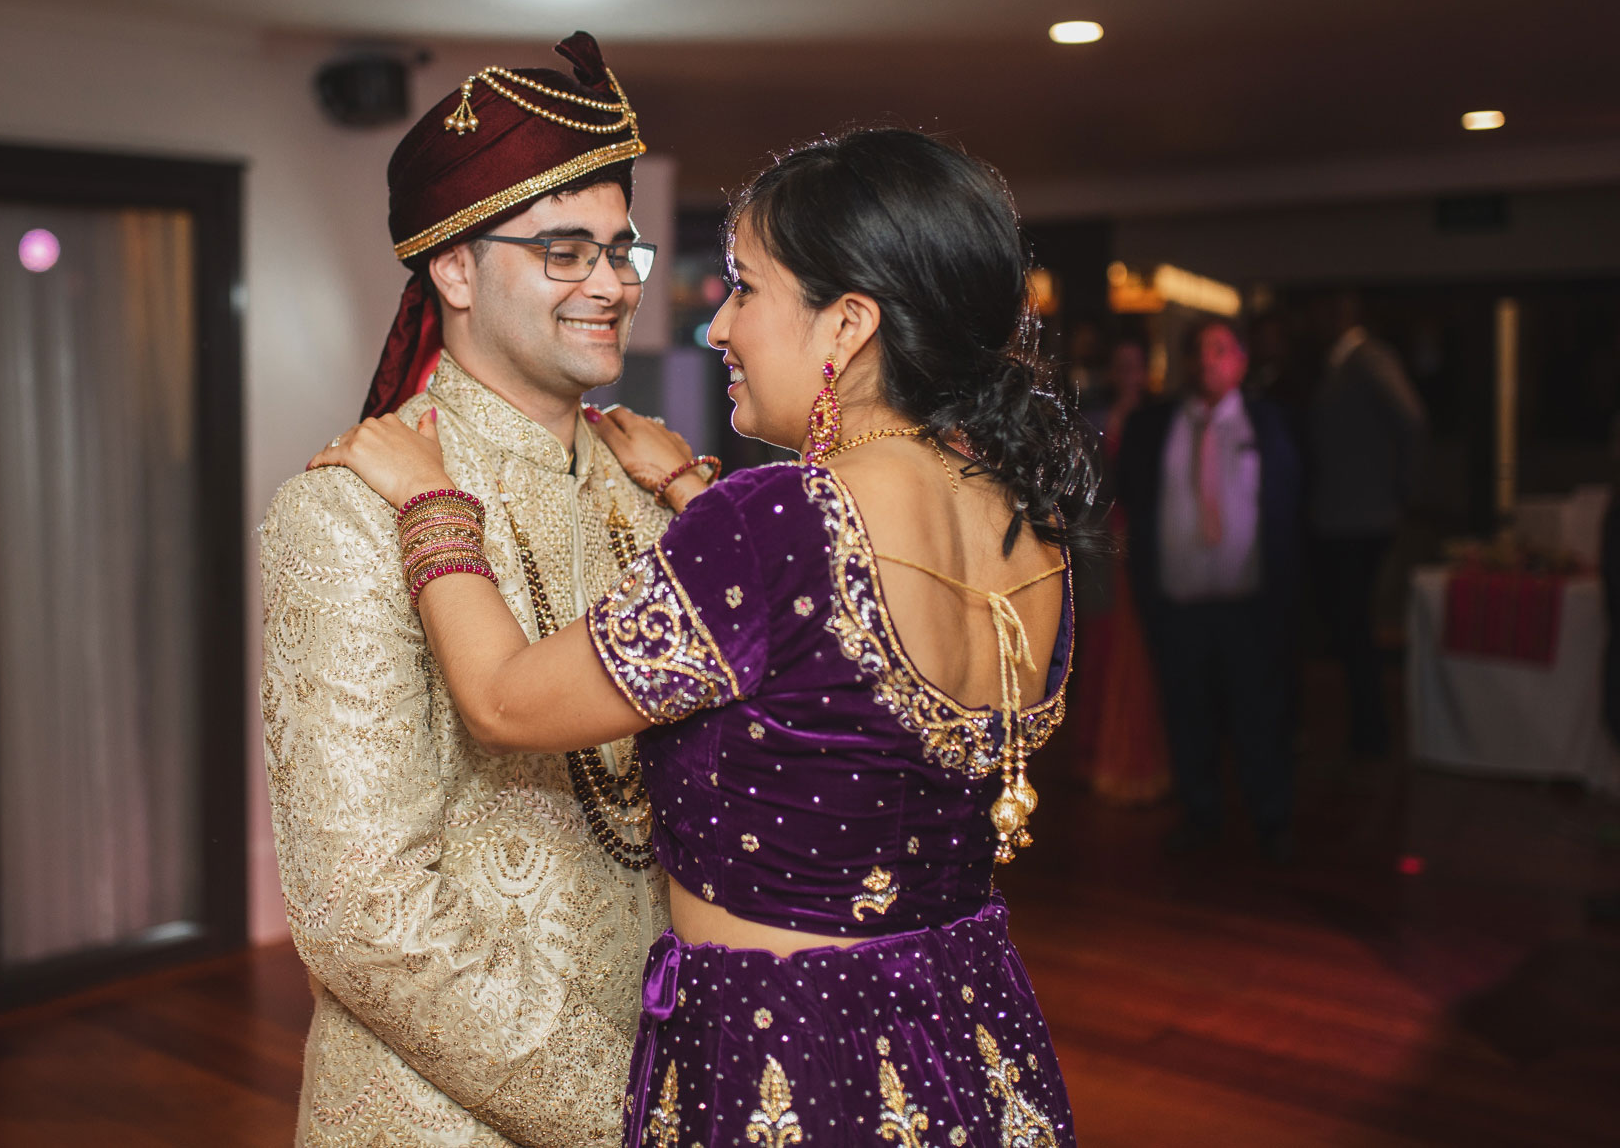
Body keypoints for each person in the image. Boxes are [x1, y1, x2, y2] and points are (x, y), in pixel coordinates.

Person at [315, 128, 1098, 1147]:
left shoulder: (770, 523)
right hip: (970, 1046)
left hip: (795, 1066)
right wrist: (689, 487)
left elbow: (505, 701)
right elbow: (828, 674)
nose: (715, 325)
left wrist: (430, 504)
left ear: (848, 324)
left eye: (745, 287)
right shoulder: (1025, 525)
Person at [261, 32, 704, 1147]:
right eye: (564, 251)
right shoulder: (347, 510)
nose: (610, 285)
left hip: (677, 1069)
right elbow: (360, 911)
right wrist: (625, 1109)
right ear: (452, 270)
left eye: (621, 251)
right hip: (439, 1114)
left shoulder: (651, 484)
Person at [1116, 318, 1301, 861]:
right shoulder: (1155, 427)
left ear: (1240, 361)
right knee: (1187, 718)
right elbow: (1132, 502)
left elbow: (1291, 510)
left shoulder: (1269, 425)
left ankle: (1272, 822)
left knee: (1259, 719)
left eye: (1220, 351)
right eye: (1197, 352)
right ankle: (1200, 817)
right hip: (1178, 607)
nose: (1207, 362)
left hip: (1251, 607)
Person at [1308, 290, 1426, 758]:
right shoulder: (1340, 363)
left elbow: (1411, 418)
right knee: (1348, 623)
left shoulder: (1368, 358)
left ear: (1341, 314)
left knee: (1355, 624)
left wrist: (1401, 489)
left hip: (1362, 517)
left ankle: (1371, 733)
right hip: (1342, 515)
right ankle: (1365, 728)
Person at [1075, 336, 1170, 804]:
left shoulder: (1162, 419)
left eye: (1135, 365)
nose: (1128, 375)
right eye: (1120, 366)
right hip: (1106, 552)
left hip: (1149, 552)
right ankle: (1100, 752)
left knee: (1144, 653)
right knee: (1103, 648)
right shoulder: (1093, 421)